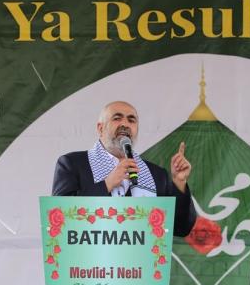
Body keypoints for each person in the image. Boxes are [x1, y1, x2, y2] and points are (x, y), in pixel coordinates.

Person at [52, 100, 197, 236]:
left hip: (140, 256)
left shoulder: (156, 175)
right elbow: (59, 219)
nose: (125, 124)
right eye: (117, 118)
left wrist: (179, 183)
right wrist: (107, 184)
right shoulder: (73, 164)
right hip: (90, 254)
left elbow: (181, 228)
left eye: (131, 120)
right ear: (100, 128)